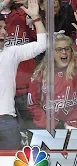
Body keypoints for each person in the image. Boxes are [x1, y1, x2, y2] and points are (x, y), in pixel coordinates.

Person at [0, 0, 46, 150]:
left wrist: (36, 18)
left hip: (7, 119)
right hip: (8, 121)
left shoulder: (10, 53)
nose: (4, 32)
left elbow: (41, 45)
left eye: (5, 28)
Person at [27, 33, 77, 132]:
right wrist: (51, 124)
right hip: (51, 130)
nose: (64, 52)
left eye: (67, 48)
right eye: (59, 49)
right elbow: (33, 105)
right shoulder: (39, 75)